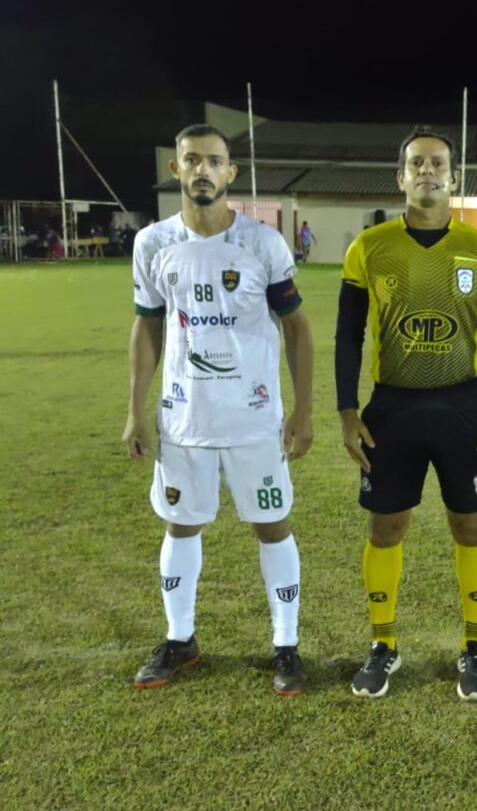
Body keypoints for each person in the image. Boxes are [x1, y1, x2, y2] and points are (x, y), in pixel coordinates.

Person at [124, 123, 314, 696]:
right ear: (177, 170)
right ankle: (180, 640)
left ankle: (286, 646)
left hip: (255, 419)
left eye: (214, 161)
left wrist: (303, 410)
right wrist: (136, 409)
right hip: (183, 420)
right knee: (181, 525)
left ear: (231, 174)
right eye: (191, 160)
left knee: (272, 526)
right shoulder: (152, 243)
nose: (203, 169)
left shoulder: (262, 243)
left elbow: (298, 330)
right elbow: (147, 326)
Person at [336, 126, 477, 702]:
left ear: (453, 177)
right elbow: (348, 335)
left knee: (470, 525)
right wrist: (347, 410)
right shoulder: (369, 247)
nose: (427, 172)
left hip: (463, 407)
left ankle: (474, 645)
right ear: (401, 177)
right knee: (386, 526)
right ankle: (383, 644)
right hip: (391, 409)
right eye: (416, 164)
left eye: (437, 163)